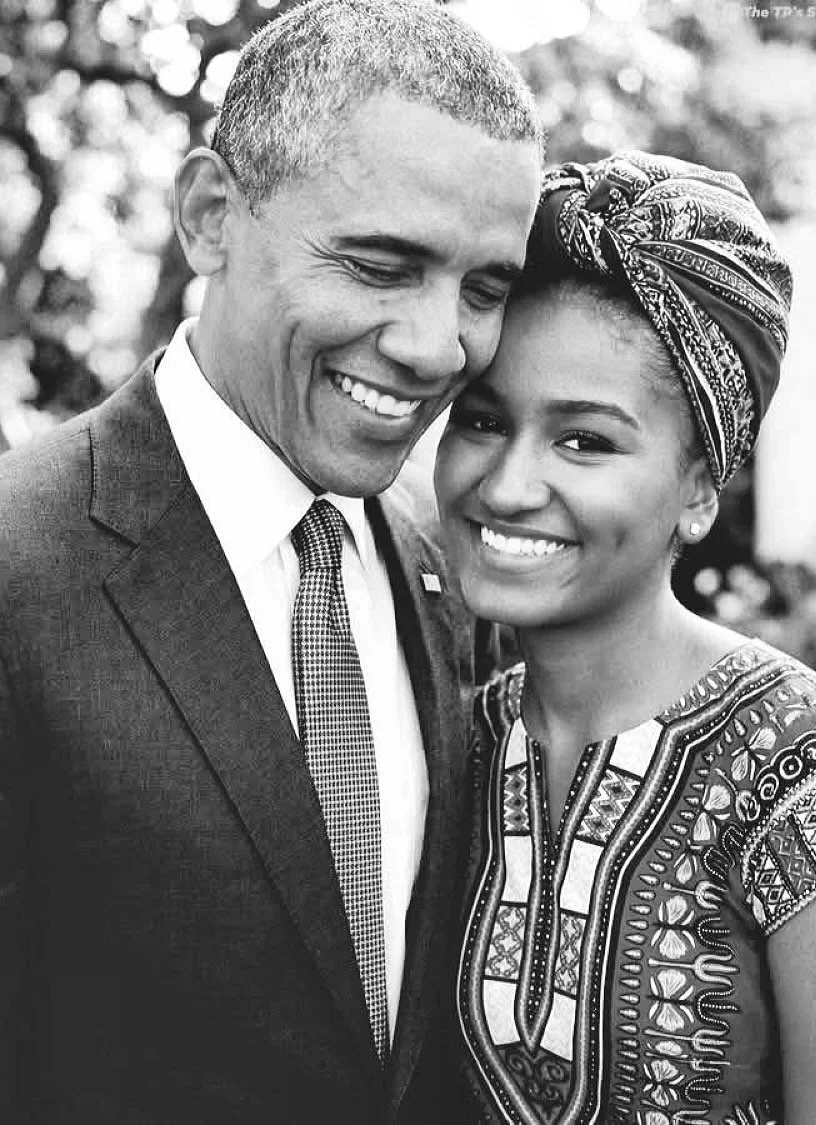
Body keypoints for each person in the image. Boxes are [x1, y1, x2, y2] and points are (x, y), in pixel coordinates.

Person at [0, 2, 543, 1120]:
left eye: (484, 288)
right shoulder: (18, 567)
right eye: (383, 264)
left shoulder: (438, 575)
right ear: (210, 215)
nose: (441, 347)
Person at [435, 152, 816, 1124]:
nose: (509, 485)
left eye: (585, 441)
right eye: (484, 420)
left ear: (699, 491)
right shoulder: (452, 746)